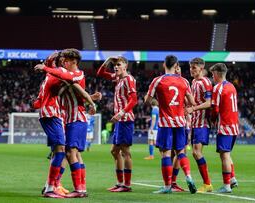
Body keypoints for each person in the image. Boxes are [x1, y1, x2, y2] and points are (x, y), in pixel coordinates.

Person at [35, 50, 99, 198]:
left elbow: (72, 83)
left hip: (77, 118)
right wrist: (91, 98)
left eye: (65, 60)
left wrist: (91, 103)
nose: (63, 63)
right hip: (67, 118)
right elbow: (78, 91)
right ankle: (68, 187)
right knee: (71, 153)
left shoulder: (77, 74)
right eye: (61, 60)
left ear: (73, 62)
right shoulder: (60, 76)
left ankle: (71, 188)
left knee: (69, 153)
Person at [145, 55, 197, 194]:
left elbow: (147, 100)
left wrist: (158, 101)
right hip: (180, 122)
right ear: (176, 65)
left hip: (165, 122)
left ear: (164, 65)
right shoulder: (184, 81)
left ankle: (167, 186)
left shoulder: (158, 81)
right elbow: (192, 102)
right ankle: (189, 176)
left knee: (166, 154)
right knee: (180, 152)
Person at [97, 56, 137, 192]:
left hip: (125, 119)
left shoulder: (129, 79)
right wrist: (108, 60)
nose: (116, 67)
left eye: (119, 64)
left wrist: (122, 112)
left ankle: (127, 185)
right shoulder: (117, 78)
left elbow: (134, 100)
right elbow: (100, 73)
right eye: (115, 65)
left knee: (126, 152)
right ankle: (120, 183)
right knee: (114, 151)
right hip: (120, 121)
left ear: (125, 66)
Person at [209, 63, 239, 193]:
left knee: (225, 155)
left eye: (212, 74)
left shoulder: (218, 88)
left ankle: (226, 186)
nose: (212, 76)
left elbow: (215, 109)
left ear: (217, 74)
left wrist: (212, 120)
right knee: (225, 154)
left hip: (225, 126)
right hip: (234, 125)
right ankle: (232, 179)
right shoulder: (232, 86)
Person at [185, 58, 213, 193]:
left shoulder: (205, 82)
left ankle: (207, 184)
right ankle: (206, 183)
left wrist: (193, 109)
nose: (191, 70)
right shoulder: (194, 82)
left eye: (194, 68)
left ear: (201, 69)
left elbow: (209, 103)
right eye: (191, 68)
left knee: (197, 152)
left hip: (203, 122)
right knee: (195, 153)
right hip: (195, 122)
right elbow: (193, 101)